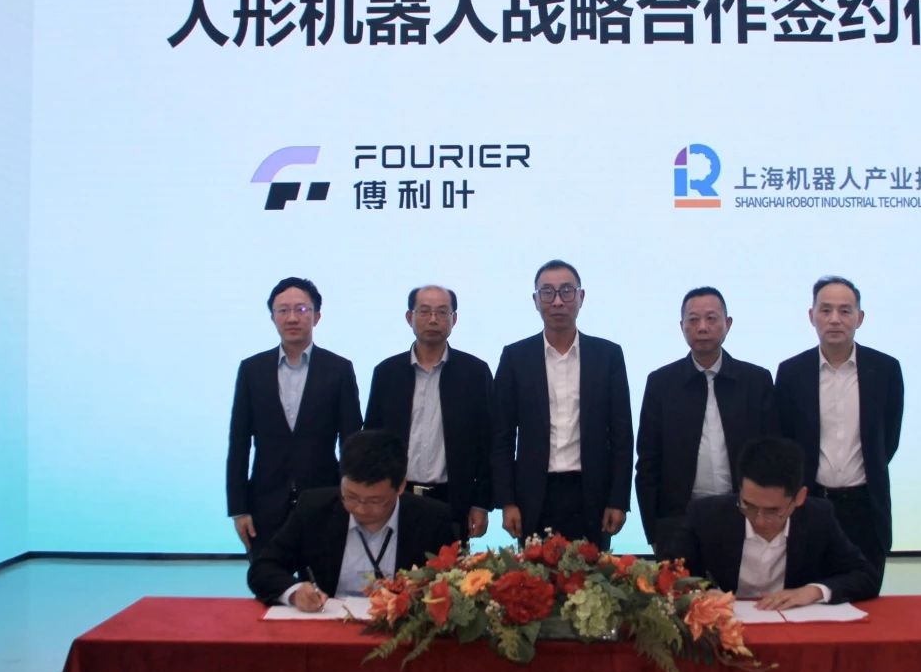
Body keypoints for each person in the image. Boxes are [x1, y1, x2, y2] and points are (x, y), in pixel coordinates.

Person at [491, 259, 633, 548]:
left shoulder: (608, 356)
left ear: (581, 297)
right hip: (534, 497)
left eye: (567, 291)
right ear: (535, 300)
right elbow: (501, 437)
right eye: (547, 292)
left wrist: (618, 500)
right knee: (533, 576)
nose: (557, 301)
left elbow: (621, 435)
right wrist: (507, 501)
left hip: (592, 495)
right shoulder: (515, 358)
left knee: (594, 576)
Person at [775, 276, 903, 591]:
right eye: (826, 310)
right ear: (812, 316)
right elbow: (785, 439)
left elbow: (888, 441)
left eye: (845, 311)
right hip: (810, 505)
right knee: (808, 599)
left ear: (860, 318)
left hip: (865, 507)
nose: (835, 319)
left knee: (864, 597)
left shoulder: (885, 370)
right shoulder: (791, 372)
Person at [226, 277, 362, 557]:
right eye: (283, 310)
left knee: (323, 581)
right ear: (272, 317)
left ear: (317, 316)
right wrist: (239, 508)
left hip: (325, 501)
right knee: (268, 579)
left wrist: (352, 500)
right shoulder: (252, 370)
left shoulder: (339, 369)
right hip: (264, 505)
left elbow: (352, 441)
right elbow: (239, 443)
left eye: (301, 309)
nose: (292, 318)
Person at [635, 287, 777, 554]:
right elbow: (648, 462)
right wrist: (653, 530)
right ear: (682, 326)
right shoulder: (661, 383)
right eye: (693, 319)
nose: (702, 327)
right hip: (679, 521)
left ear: (728, 324)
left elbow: (771, 454)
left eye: (711, 318)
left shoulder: (756, 381)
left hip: (747, 518)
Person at [248, 429, 455, 610]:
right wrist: (294, 591)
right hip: (328, 625)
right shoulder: (314, 509)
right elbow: (263, 568)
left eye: (375, 500)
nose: (360, 509)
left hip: (399, 631)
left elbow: (455, 585)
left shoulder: (433, 519)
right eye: (351, 496)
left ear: (400, 486)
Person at [666, 436, 877, 608]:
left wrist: (813, 591)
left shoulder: (818, 518)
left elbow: (866, 576)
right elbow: (666, 574)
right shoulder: (707, 515)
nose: (759, 520)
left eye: (772, 511)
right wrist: (698, 593)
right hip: (726, 627)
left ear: (799, 498)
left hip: (793, 631)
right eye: (748, 505)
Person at [364, 285, 493, 541]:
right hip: (396, 499)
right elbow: (371, 440)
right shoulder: (387, 373)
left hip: (452, 501)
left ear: (454, 319)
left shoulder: (475, 373)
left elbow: (488, 442)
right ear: (409, 317)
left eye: (442, 312)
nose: (433, 319)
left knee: (450, 567)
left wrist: (482, 503)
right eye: (424, 311)